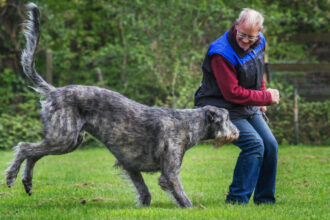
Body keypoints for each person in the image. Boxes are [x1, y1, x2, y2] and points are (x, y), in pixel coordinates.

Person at [194, 8, 279, 204]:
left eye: (250, 37)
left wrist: (261, 98)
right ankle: (236, 201)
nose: (245, 40)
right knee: (254, 144)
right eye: (242, 35)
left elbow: (259, 71)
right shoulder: (221, 52)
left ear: (259, 31)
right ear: (236, 24)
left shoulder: (260, 41)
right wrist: (264, 97)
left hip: (245, 105)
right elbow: (231, 92)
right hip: (219, 107)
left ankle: (265, 201)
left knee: (271, 145)